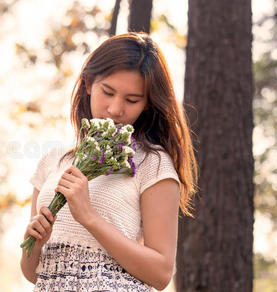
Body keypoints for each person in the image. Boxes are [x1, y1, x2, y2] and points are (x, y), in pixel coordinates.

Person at [20, 32, 197, 292]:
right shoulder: (52, 162)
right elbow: (34, 274)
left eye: (131, 100)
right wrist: (33, 240)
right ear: (89, 83)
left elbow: (161, 274)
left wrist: (89, 217)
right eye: (108, 92)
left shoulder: (153, 164)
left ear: (147, 104)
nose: (115, 109)